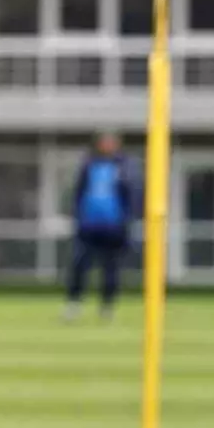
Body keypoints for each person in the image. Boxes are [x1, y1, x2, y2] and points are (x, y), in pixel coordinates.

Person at [64, 133, 137, 320]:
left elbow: (131, 195)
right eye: (105, 142)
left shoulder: (124, 166)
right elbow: (78, 193)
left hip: (113, 226)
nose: (108, 146)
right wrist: (77, 216)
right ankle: (74, 304)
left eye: (111, 142)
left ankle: (107, 307)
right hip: (89, 225)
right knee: (80, 265)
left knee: (110, 268)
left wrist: (127, 221)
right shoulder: (89, 165)